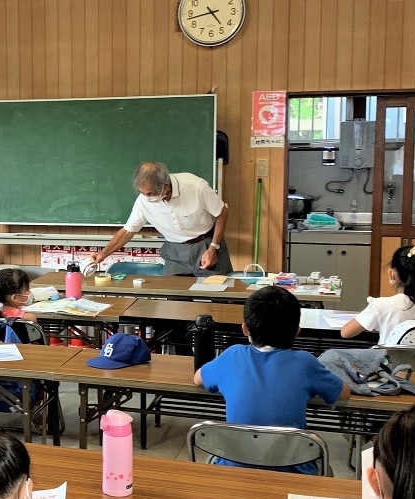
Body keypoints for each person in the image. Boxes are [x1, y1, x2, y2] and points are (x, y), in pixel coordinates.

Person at [193, 285, 350, 475]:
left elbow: (198, 379)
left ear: (245, 329)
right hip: (293, 473)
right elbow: (344, 392)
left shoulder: (232, 356)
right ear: (297, 331)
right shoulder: (305, 362)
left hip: (235, 470)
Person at [92, 161, 231, 276]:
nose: (146, 197)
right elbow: (127, 231)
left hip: (206, 244)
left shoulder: (196, 187)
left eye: (150, 193)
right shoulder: (143, 200)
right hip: (174, 251)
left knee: (218, 295)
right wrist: (103, 253)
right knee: (173, 301)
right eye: (142, 193)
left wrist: (213, 247)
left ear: (164, 186)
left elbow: (222, 212)